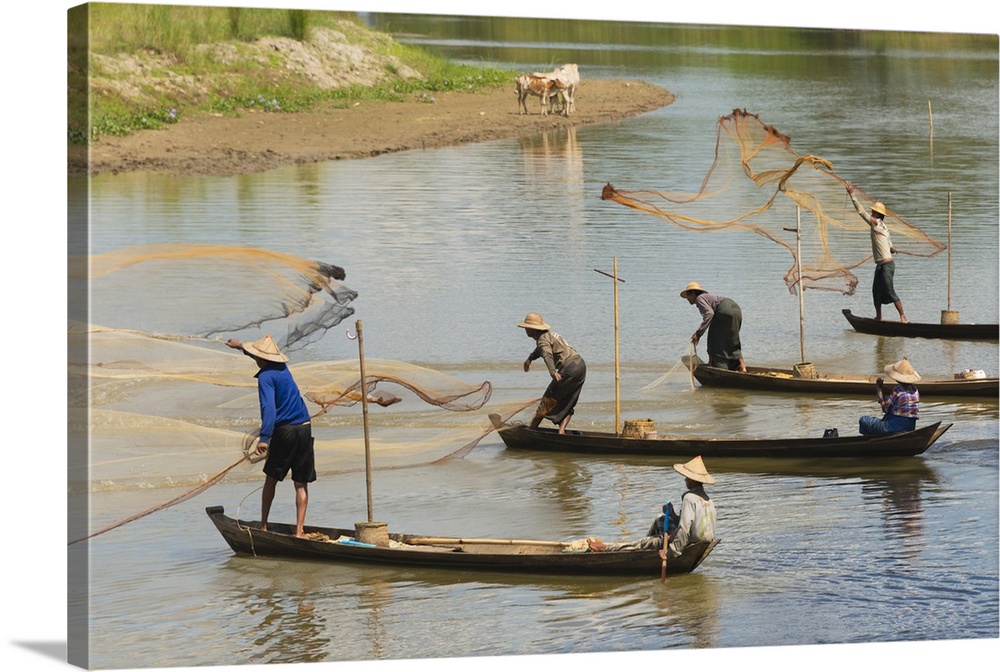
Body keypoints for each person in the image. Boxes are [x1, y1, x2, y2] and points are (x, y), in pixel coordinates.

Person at [226, 334, 315, 537]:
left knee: (271, 479)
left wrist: (264, 439)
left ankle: (264, 527)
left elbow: (269, 410)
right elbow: (260, 359)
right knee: (301, 483)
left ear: (261, 359)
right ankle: (299, 531)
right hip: (305, 427)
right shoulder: (283, 369)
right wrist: (240, 345)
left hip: (286, 432)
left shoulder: (266, 377)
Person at [587, 455, 717, 558]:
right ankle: (648, 547)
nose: (685, 480)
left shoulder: (689, 498)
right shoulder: (708, 500)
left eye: (687, 478)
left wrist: (671, 551)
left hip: (687, 543)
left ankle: (608, 549)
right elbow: (693, 524)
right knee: (660, 518)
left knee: (639, 544)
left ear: (693, 480)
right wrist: (672, 515)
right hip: (698, 540)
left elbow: (684, 529)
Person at [846, 181, 908, 323]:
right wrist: (892, 248)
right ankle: (879, 317)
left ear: (876, 214)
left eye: (873, 212)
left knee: (889, 291)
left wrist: (852, 195)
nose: (871, 213)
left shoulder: (876, 223)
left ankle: (903, 316)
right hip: (880, 265)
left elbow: (861, 212)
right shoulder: (884, 227)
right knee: (876, 292)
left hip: (887, 265)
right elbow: (888, 242)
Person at [518, 312, 586, 434]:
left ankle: (531, 431)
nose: (525, 330)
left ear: (532, 330)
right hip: (580, 366)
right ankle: (561, 431)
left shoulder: (542, 340)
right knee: (569, 400)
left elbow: (547, 354)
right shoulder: (548, 335)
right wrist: (530, 358)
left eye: (527, 328)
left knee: (547, 400)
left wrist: (552, 371)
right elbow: (542, 349)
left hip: (569, 368)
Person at [680, 282, 747, 372]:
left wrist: (698, 333)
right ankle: (743, 367)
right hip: (736, 309)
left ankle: (711, 364)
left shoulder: (700, 298)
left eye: (688, 295)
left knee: (712, 337)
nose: (687, 299)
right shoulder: (707, 297)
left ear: (692, 293)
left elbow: (709, 314)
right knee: (733, 339)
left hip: (724, 309)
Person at [859, 357, 921, 436]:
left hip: (893, 428)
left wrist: (879, 390)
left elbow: (885, 409)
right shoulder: (915, 391)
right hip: (910, 427)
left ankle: (871, 443)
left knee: (864, 420)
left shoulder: (898, 390)